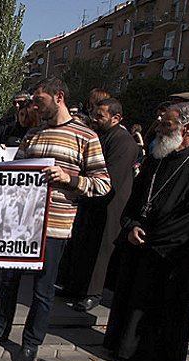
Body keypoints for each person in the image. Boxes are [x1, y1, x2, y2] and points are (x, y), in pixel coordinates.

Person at [0, 77, 111, 361]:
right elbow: (15, 172)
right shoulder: (34, 134)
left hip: (54, 226)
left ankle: (31, 343)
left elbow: (103, 184)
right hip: (21, 224)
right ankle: (0, 328)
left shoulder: (86, 137)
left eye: (38, 100)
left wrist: (70, 180)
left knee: (42, 291)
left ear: (58, 97)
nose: (33, 106)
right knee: (8, 281)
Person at [103, 102, 189, 361]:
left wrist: (155, 237)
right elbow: (136, 198)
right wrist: (132, 224)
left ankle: (153, 360)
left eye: (166, 124)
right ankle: (120, 347)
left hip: (171, 250)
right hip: (140, 241)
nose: (158, 129)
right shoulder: (157, 156)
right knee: (131, 298)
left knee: (160, 310)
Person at [59, 98, 138, 311]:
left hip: (109, 204)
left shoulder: (124, 142)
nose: (94, 119)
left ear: (116, 118)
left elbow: (112, 177)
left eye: (100, 116)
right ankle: (74, 286)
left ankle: (93, 293)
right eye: (93, 114)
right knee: (82, 244)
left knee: (102, 249)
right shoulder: (98, 136)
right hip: (89, 199)